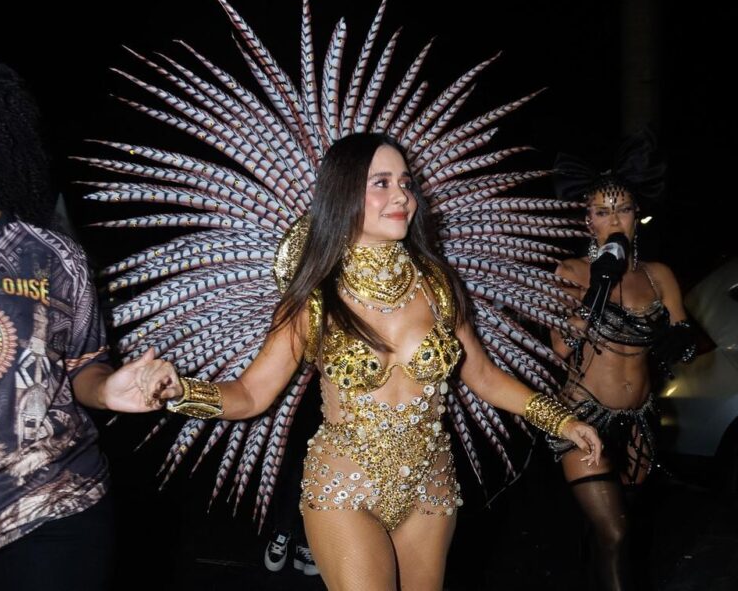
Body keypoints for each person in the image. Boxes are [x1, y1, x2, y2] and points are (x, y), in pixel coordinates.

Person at [143, 132, 603, 590]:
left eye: (405, 182)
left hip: (431, 484)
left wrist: (560, 421)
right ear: (343, 194)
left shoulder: (438, 285)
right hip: (345, 488)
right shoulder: (313, 300)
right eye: (380, 183)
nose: (401, 195)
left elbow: (482, 375)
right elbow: (249, 395)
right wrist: (183, 392)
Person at [0, 44, 177, 591]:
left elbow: (83, 363)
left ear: (0, 145)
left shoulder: (53, 257)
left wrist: (108, 388)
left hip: (51, 505)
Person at [550, 129, 696, 591]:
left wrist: (680, 343)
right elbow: (560, 348)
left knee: (621, 528)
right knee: (615, 529)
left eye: (623, 208)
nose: (613, 217)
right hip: (584, 417)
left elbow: (683, 336)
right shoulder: (570, 273)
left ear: (639, 217)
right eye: (601, 210)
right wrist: (595, 290)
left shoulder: (658, 276)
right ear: (586, 220)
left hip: (641, 420)